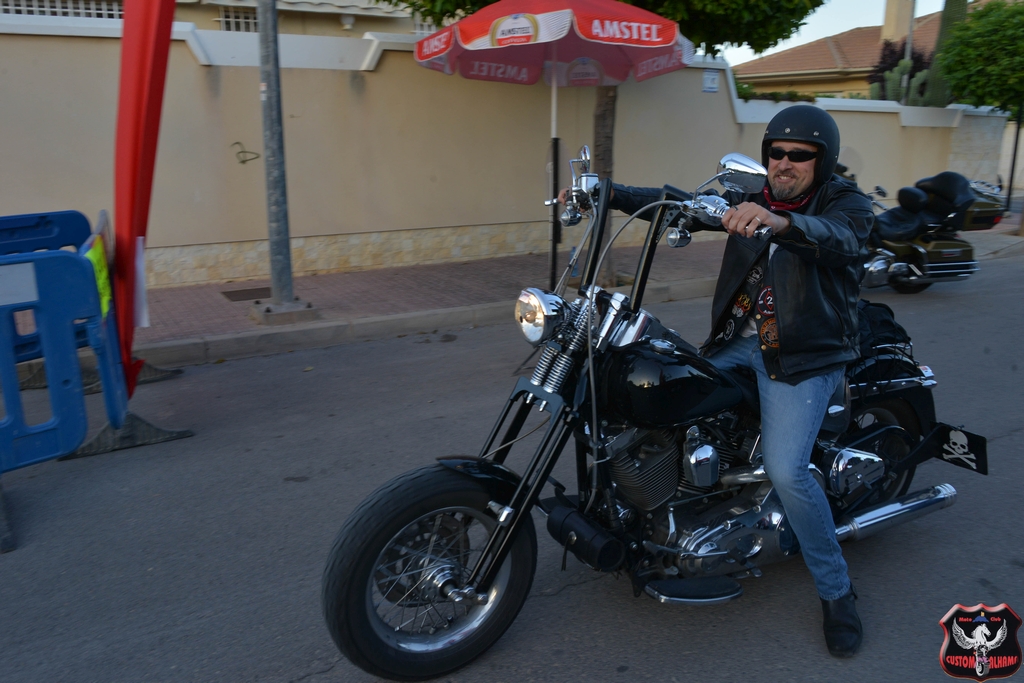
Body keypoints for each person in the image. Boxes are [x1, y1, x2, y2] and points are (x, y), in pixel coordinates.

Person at [572, 105, 872, 658]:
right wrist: (609, 194)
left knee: (787, 469)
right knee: (657, 387)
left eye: (800, 155)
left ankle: (836, 591)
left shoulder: (844, 204)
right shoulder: (752, 196)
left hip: (805, 355)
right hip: (738, 341)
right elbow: (679, 202)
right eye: (776, 153)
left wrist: (782, 224)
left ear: (823, 161)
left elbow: (842, 239)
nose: (785, 163)